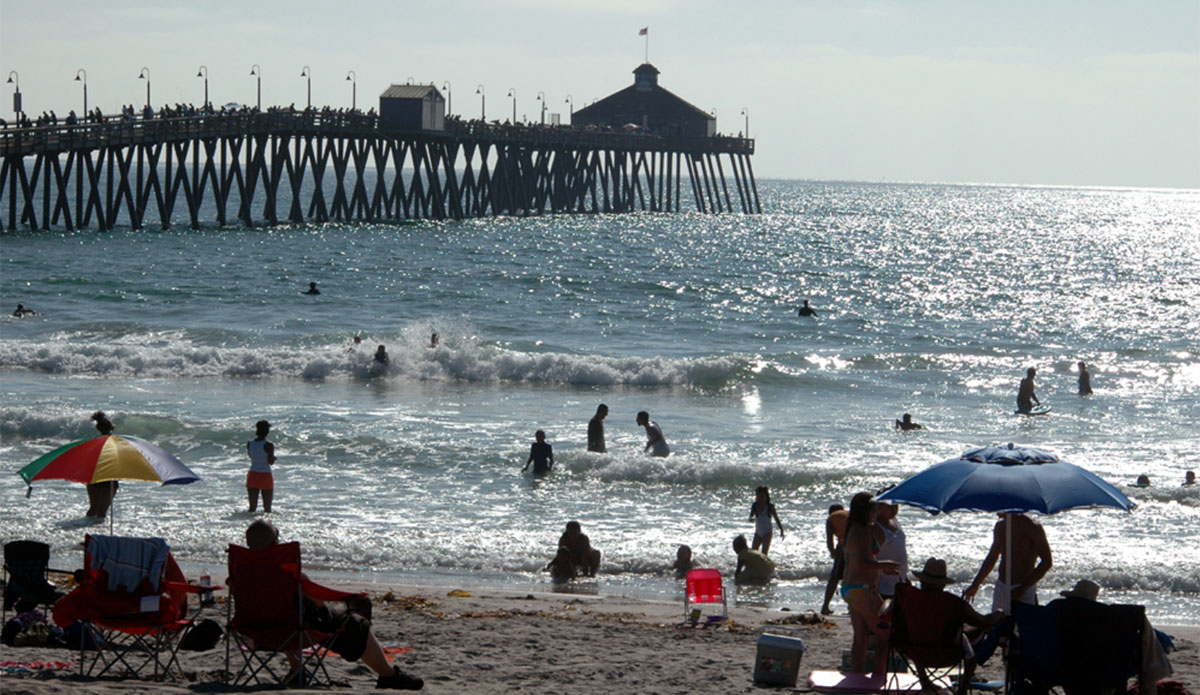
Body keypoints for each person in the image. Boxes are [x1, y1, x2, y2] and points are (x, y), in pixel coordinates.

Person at [244, 520, 422, 690]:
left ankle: (297, 670)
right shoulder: (289, 575)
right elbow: (319, 602)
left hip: (257, 632)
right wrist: (348, 597)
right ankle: (389, 675)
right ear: (275, 544)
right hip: (293, 631)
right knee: (356, 625)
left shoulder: (242, 572)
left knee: (287, 619)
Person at [906, 558, 1004, 691]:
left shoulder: (911, 601)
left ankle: (924, 680)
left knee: (919, 632)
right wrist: (998, 613)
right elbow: (984, 622)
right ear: (943, 584)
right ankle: (964, 685)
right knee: (978, 631)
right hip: (948, 654)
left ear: (922, 581)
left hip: (914, 651)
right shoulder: (953, 603)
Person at [841, 491, 900, 675]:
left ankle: (857, 676)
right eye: (875, 508)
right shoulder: (863, 530)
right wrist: (884, 566)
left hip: (851, 589)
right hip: (863, 589)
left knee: (861, 637)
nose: (877, 512)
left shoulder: (853, 529)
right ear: (868, 510)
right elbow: (862, 562)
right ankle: (878, 677)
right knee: (884, 636)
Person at [963, 512, 1052, 613]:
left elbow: (1047, 562)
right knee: (998, 624)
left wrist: (1023, 589)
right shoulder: (1000, 526)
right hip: (1002, 586)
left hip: (1024, 587)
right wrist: (975, 584)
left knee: (1024, 625)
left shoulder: (1033, 528)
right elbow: (992, 557)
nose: (996, 511)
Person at [874, 497, 909, 599]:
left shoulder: (894, 520)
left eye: (896, 505)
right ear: (879, 506)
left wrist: (905, 576)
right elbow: (867, 557)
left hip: (899, 581)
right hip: (883, 585)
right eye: (890, 505)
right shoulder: (876, 528)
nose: (894, 509)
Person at [86, 411, 118, 518]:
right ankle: (99, 533)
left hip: (94, 477)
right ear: (112, 428)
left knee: (92, 511)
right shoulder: (117, 443)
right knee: (101, 514)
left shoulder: (95, 443)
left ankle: (83, 531)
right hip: (109, 479)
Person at [820, 503, 849, 616]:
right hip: (856, 545)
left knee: (834, 578)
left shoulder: (831, 519)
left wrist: (833, 553)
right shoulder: (848, 514)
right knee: (851, 577)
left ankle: (825, 606)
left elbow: (829, 540)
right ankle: (852, 607)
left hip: (843, 547)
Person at [246, 420, 277, 513]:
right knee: (267, 508)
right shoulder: (269, 445)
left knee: (252, 507)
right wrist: (274, 458)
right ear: (267, 431)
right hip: (265, 475)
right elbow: (270, 462)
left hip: (253, 474)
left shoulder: (250, 443)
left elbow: (252, 456)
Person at [748, 486, 785, 555]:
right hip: (758, 532)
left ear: (766, 497)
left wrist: (781, 530)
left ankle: (764, 565)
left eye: (762, 496)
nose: (760, 499)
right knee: (753, 551)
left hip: (767, 532)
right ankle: (754, 565)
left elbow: (776, 519)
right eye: (758, 496)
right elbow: (751, 516)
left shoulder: (770, 507)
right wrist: (751, 519)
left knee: (764, 553)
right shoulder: (755, 506)